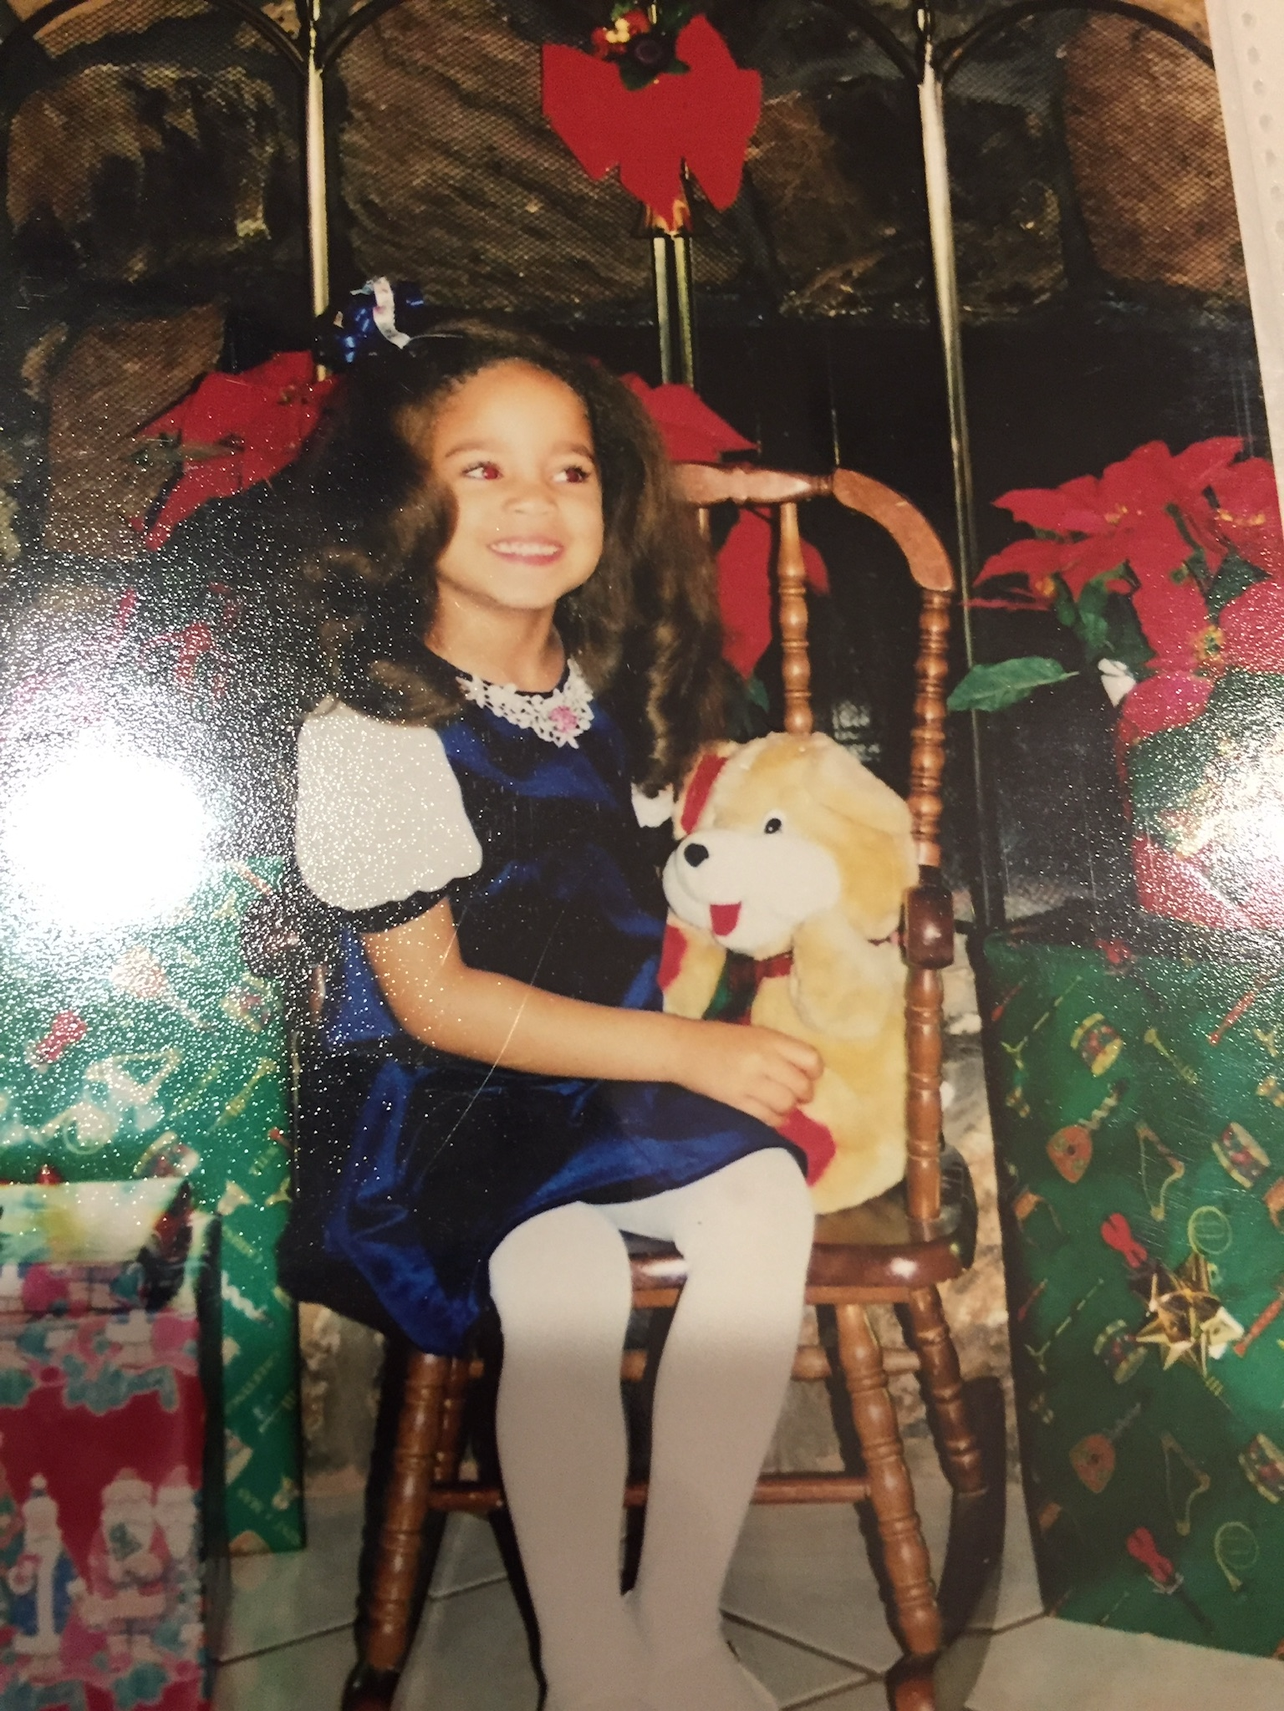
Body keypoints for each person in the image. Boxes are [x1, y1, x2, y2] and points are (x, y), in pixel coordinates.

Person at [279, 295, 821, 1711]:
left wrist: (684, 487)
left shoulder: (600, 687)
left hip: (610, 1074)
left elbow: (650, 874)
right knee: (563, 1278)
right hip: (449, 1109)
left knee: (771, 1209)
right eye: (483, 469)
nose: (536, 501)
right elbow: (438, 998)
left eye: (569, 467)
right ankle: (585, 1657)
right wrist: (686, 1046)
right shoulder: (372, 732)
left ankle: (682, 1622)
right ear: (401, 508)